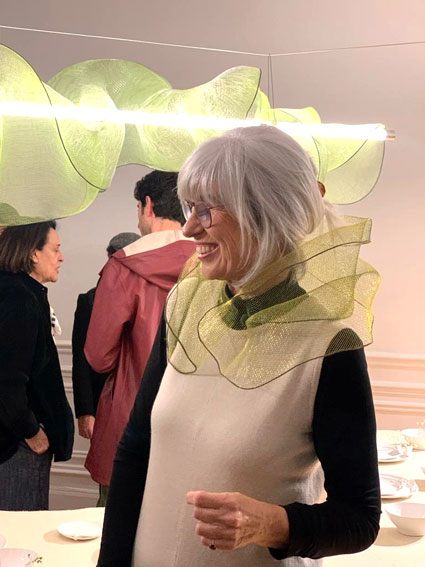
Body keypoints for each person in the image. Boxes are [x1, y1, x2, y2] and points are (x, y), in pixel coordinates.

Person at [97, 126, 381, 567]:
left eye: (206, 211)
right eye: (189, 207)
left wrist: (273, 525)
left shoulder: (328, 343)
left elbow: (360, 518)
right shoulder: (185, 305)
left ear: (266, 213)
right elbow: (137, 447)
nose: (189, 228)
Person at [84, 170, 195, 505]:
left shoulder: (124, 266)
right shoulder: (212, 261)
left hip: (132, 417)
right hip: (193, 419)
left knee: (115, 520)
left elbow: (98, 356)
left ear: (147, 206)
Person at [0, 221, 74, 510]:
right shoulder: (20, 297)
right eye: (55, 249)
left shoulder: (18, 292)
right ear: (33, 253)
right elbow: (7, 379)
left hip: (14, 439)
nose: (61, 257)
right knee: (21, 529)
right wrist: (32, 431)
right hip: (16, 444)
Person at [72, 232, 140, 441]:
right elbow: (81, 358)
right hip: (103, 397)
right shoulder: (90, 300)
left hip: (141, 398)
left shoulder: (154, 296)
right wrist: (85, 411)